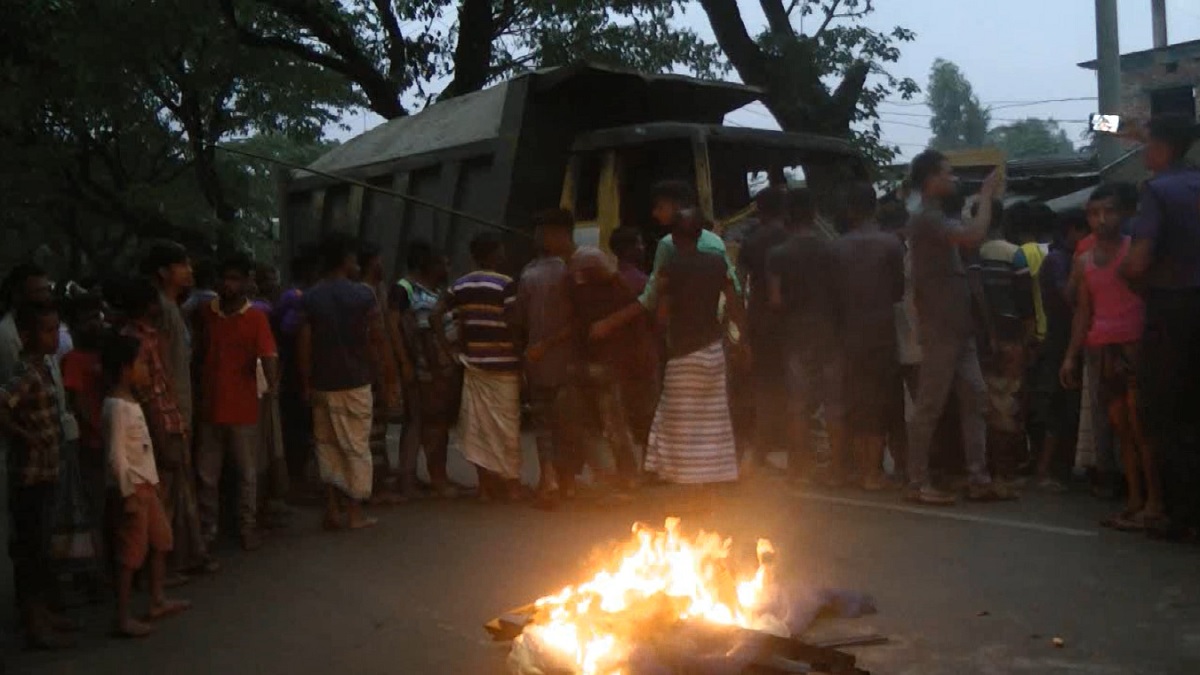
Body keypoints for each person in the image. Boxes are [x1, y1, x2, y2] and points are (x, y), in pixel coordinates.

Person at [905, 150, 1014, 505]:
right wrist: (985, 197)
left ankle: (978, 477)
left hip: (957, 325)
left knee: (976, 398)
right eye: (948, 174)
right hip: (942, 326)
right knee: (930, 405)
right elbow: (974, 236)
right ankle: (918, 481)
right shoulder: (927, 218)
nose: (953, 180)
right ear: (931, 180)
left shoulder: (934, 217)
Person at [1120, 114, 1200, 538]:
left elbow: (1136, 263)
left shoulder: (1156, 191)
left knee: (1165, 413)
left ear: (1163, 149)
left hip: (1172, 309)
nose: (1140, 150)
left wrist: (1136, 284)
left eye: (1145, 143)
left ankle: (1179, 513)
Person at [1062, 185, 1158, 532]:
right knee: (1122, 430)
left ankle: (1154, 503)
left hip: (1135, 347)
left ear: (1124, 214)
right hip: (1104, 350)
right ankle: (1135, 501)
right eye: (1094, 213)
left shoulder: (1136, 253)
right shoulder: (1085, 261)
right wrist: (1071, 356)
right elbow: (1082, 313)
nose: (1102, 220)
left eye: (1109, 212)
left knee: (1143, 430)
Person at [115, 278, 214, 579]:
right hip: (157, 424)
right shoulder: (138, 341)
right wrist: (162, 431)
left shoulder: (146, 335)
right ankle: (162, 568)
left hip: (166, 420)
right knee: (165, 499)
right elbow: (150, 392)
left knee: (175, 494)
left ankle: (176, 560)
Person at [299, 233, 397, 530]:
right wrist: (388, 379)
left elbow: (304, 344)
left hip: (322, 383)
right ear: (345, 261)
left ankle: (331, 509)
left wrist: (306, 383)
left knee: (327, 446)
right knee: (355, 447)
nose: (357, 265)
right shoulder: (363, 296)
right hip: (356, 381)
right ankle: (355, 512)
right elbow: (378, 342)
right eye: (354, 259)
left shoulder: (311, 297)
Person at [102, 333, 191, 638]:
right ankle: (122, 616)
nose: (145, 369)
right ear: (125, 368)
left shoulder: (130, 402)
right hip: (134, 490)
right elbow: (116, 456)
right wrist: (129, 494)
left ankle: (157, 599)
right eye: (141, 363)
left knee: (161, 539)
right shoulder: (117, 406)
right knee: (131, 552)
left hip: (145, 485)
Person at [0, 302, 74, 649]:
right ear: (27, 335)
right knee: (31, 551)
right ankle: (33, 620)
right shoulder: (26, 372)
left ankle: (43, 613)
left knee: (42, 548)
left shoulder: (44, 367)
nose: (54, 336)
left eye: (55, 329)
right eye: (47, 330)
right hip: (29, 476)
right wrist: (25, 435)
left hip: (46, 470)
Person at [193, 252, 279, 551]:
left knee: (246, 472)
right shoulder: (206, 313)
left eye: (235, 279)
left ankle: (246, 527)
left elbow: (269, 359)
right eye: (225, 278)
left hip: (243, 407)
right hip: (210, 406)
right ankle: (208, 531)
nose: (228, 285)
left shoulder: (255, 317)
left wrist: (271, 394)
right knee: (208, 475)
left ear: (245, 282)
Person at [140, 243, 214, 575]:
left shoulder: (173, 307)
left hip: (179, 407)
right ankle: (164, 566)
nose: (189, 271)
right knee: (169, 487)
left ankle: (183, 556)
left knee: (180, 484)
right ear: (163, 272)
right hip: (170, 411)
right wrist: (170, 413)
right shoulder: (163, 310)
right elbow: (162, 370)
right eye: (182, 265)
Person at [431, 233, 522, 502]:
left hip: (474, 367)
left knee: (479, 429)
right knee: (507, 427)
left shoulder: (460, 285)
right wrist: (521, 356)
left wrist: (449, 351)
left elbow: (436, 314)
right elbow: (514, 323)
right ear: (497, 254)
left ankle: (485, 488)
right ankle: (512, 485)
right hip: (504, 366)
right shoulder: (506, 284)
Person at [831, 182, 905, 490]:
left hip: (848, 334)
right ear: (874, 208)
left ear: (849, 212)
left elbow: (832, 296)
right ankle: (872, 474)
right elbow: (897, 291)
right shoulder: (891, 244)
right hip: (882, 333)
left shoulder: (837, 247)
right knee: (879, 403)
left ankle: (856, 470)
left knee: (856, 402)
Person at [767, 188, 843, 483]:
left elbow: (774, 301)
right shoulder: (832, 250)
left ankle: (798, 469)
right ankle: (836, 469)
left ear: (787, 216)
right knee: (834, 404)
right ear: (814, 214)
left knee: (798, 404)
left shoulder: (779, 254)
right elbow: (842, 293)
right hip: (830, 333)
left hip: (796, 335)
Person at [512, 209, 579, 500]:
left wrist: (535, 348)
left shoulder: (529, 274)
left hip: (540, 361)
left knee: (545, 424)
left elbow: (519, 322)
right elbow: (579, 320)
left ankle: (551, 479)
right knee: (564, 422)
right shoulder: (571, 270)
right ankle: (564, 481)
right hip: (565, 361)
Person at [393, 242, 459, 499]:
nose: (447, 267)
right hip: (429, 371)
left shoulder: (435, 292)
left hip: (434, 369)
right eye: (443, 263)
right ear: (430, 266)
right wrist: (435, 370)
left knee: (428, 424)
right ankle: (433, 480)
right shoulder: (413, 292)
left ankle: (428, 477)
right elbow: (422, 335)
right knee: (430, 425)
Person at [1033, 210, 1088, 492]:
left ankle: (1059, 468)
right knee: (1057, 407)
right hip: (1059, 340)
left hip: (1068, 339)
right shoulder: (1058, 260)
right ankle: (1045, 469)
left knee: (1067, 408)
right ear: (1072, 231)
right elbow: (1069, 298)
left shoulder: (1063, 258)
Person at [737, 187, 791, 469]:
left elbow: (738, 282)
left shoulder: (750, 241)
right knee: (788, 384)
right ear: (784, 210)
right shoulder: (789, 238)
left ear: (759, 209)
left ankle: (760, 447)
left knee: (762, 384)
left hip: (757, 318)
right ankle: (787, 446)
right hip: (788, 321)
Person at [60, 293, 110, 579]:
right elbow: (78, 402)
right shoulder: (75, 360)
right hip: (92, 443)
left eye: (97, 317)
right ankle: (94, 573)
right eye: (88, 319)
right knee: (94, 510)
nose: (95, 324)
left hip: (109, 439)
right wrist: (97, 429)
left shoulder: (104, 352)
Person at [357, 242, 411, 504]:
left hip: (374, 369)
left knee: (377, 428)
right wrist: (387, 371)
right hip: (372, 371)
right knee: (373, 430)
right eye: (378, 259)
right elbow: (376, 337)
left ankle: (378, 481)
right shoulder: (366, 293)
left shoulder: (376, 290)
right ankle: (374, 487)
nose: (383, 264)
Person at [606, 227, 659, 447]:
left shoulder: (611, 281)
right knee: (648, 412)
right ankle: (649, 467)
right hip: (643, 355)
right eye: (638, 244)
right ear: (627, 250)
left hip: (618, 357)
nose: (643, 248)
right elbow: (657, 321)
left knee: (625, 414)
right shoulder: (643, 282)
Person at [273, 247, 319, 485]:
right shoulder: (296, 297)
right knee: (298, 426)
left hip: (297, 366)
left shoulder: (296, 295)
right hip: (293, 368)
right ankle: (297, 479)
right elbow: (289, 330)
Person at [0, 263, 54, 383]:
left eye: (47, 290)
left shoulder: (45, 325)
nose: (46, 296)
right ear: (17, 295)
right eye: (39, 291)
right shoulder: (5, 335)